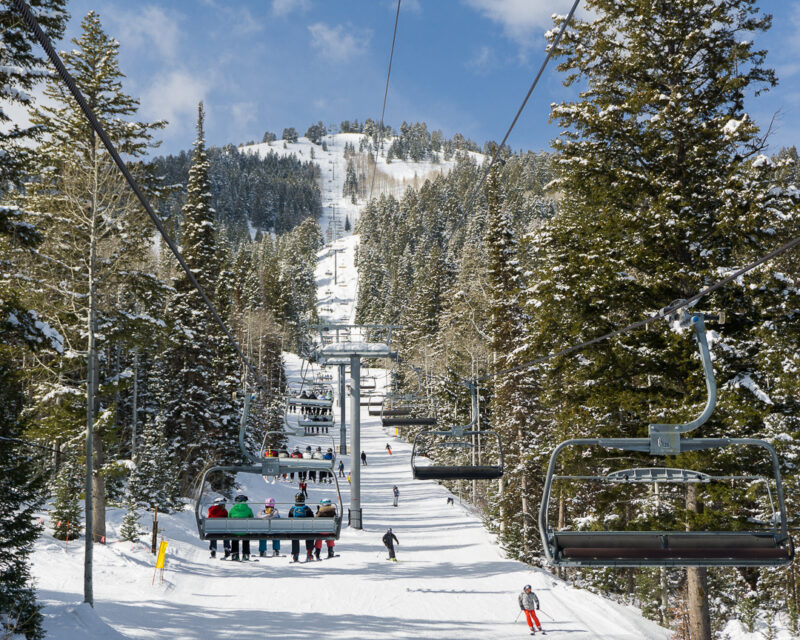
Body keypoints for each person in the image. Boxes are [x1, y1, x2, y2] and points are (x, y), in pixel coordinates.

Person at [288, 492, 315, 562]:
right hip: (307, 531)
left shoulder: (292, 509)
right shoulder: (307, 509)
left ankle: (295, 554)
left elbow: (289, 519)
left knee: (294, 536)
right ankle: (309, 552)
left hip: (295, 531)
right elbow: (312, 519)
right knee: (310, 534)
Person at [228, 494, 254, 561]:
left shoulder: (232, 509)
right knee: (246, 537)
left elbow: (229, 519)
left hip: (235, 531)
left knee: (234, 537)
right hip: (245, 531)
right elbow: (252, 519)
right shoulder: (248, 509)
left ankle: (235, 554)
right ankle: (245, 554)